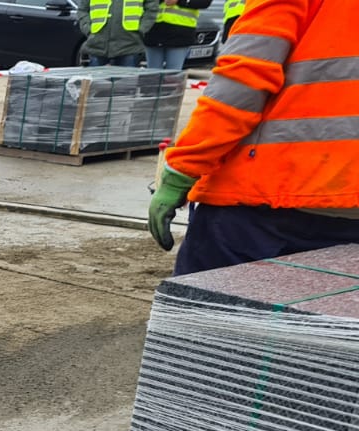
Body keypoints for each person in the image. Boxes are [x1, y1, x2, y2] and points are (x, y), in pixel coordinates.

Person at [147, 0, 359, 275]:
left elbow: (243, 79)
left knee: (208, 312)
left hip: (269, 200)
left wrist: (183, 169)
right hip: (345, 206)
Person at [79, 0, 153, 66]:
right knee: (97, 81)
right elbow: (82, 10)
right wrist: (88, 29)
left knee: (127, 81)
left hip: (129, 45)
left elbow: (151, 9)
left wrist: (142, 29)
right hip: (97, 44)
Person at [141, 0, 209, 71]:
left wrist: (179, 1)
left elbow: (205, 2)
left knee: (172, 76)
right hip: (153, 31)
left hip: (180, 34)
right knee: (152, 75)